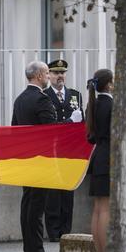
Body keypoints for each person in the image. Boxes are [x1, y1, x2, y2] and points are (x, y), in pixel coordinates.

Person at [11, 61, 58, 252]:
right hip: (40, 159)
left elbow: (15, 128)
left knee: (27, 204)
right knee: (37, 207)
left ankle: (29, 251)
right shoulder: (41, 99)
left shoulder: (20, 99)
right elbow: (51, 131)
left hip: (25, 158)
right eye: (47, 73)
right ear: (39, 75)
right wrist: (70, 123)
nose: (49, 76)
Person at [43, 59, 84, 242]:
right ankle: (53, 231)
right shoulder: (44, 95)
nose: (60, 76)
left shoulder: (75, 95)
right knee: (53, 194)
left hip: (70, 150)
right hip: (52, 150)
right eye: (56, 73)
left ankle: (66, 231)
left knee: (68, 191)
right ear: (49, 75)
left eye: (63, 73)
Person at [86, 69, 114, 252]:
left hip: (97, 157)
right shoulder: (110, 104)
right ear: (109, 84)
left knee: (97, 209)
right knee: (105, 209)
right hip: (108, 158)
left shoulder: (93, 103)